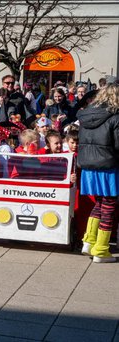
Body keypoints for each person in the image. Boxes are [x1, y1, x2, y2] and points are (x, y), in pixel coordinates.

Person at [78, 83, 119, 263]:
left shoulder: (86, 115)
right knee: (109, 205)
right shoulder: (115, 117)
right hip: (108, 164)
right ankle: (101, 250)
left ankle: (89, 241)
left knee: (100, 202)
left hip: (89, 165)